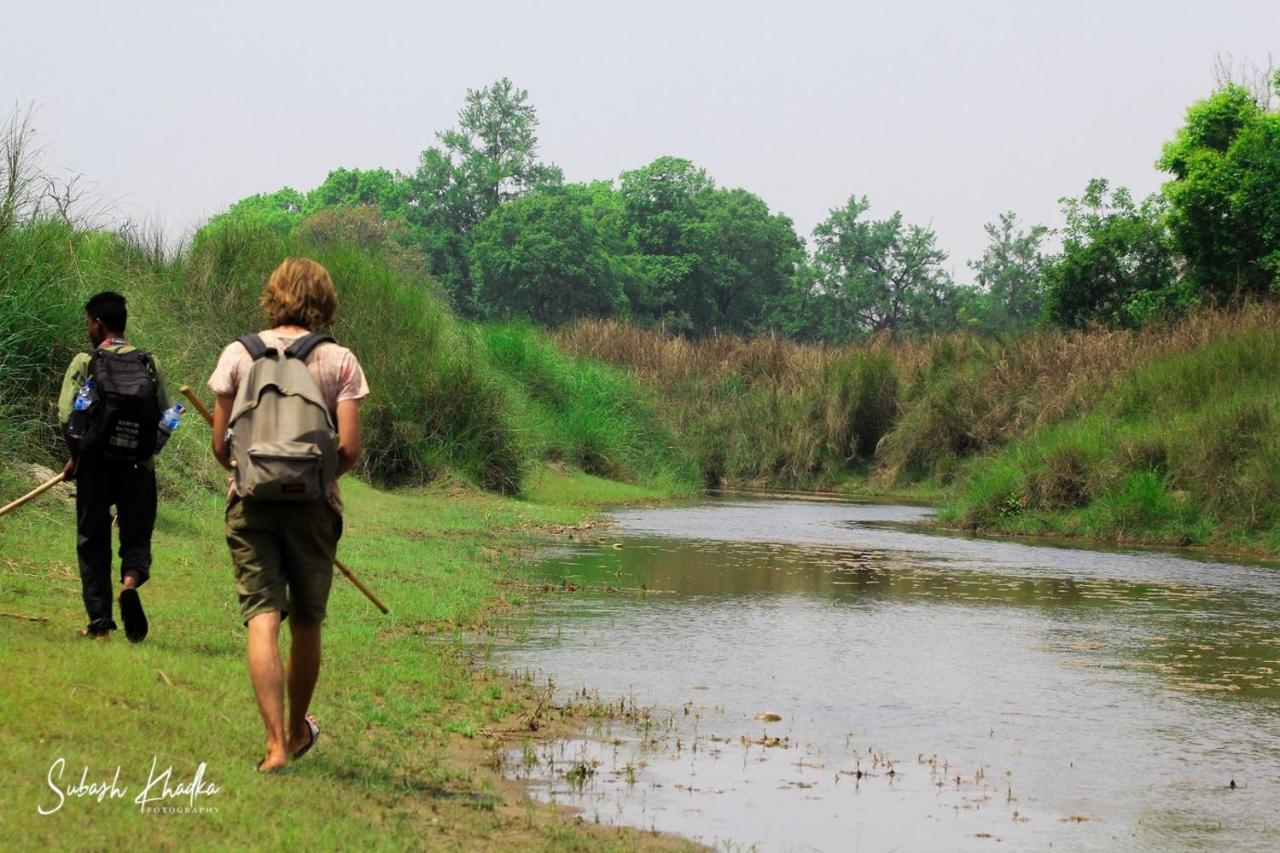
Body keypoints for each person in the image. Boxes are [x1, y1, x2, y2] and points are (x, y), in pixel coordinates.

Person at [207, 257, 369, 773]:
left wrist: (257, 472)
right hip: (314, 509)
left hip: (250, 504)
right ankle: (299, 730)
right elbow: (347, 447)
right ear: (324, 301)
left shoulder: (238, 354)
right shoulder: (339, 360)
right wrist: (315, 481)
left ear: (273, 295)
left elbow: (220, 446)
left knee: (262, 618)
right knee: (307, 621)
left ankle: (274, 745)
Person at [59, 291, 171, 642]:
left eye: (89, 322)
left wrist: (77, 456)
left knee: (93, 539)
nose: (88, 328)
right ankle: (129, 584)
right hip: (139, 466)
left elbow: (67, 414)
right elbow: (167, 414)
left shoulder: (86, 361)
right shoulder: (149, 362)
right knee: (136, 534)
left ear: (98, 323)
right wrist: (147, 451)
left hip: (95, 466)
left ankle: (100, 625)